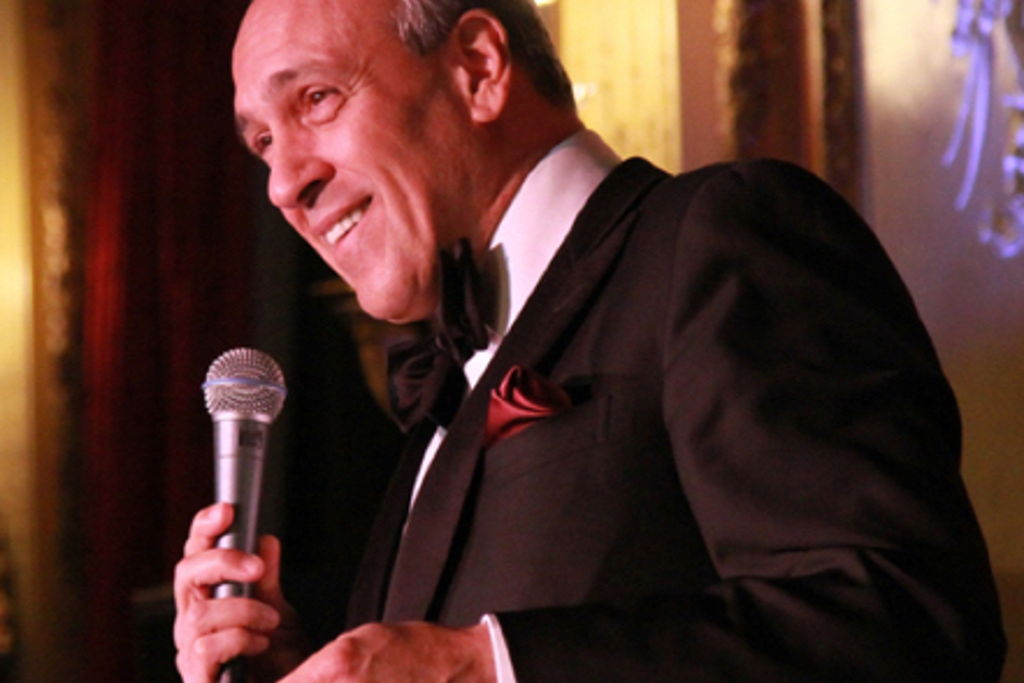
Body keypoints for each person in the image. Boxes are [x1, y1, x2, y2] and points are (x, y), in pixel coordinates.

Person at [173, 0, 1007, 680]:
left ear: (478, 68)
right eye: (264, 142)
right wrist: (300, 666)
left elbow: (907, 621)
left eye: (316, 99)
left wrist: (487, 666)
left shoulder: (720, 235)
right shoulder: (447, 375)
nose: (284, 183)